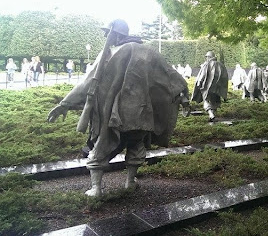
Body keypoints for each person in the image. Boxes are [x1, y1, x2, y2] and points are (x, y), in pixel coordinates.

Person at [47, 19, 189, 197]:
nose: (106, 36)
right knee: (136, 144)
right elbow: (170, 76)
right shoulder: (149, 52)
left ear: (116, 34)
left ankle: (96, 188)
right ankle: (130, 182)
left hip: (116, 113)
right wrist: (184, 98)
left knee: (102, 147)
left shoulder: (109, 53)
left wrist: (64, 104)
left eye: (108, 32)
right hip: (142, 112)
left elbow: (88, 82)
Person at [192, 51, 229, 121]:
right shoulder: (221, 65)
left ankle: (211, 114)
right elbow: (224, 77)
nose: (206, 58)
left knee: (205, 100)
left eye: (207, 57)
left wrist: (199, 82)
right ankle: (213, 115)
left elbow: (202, 74)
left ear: (209, 57)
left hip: (207, 87)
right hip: (217, 88)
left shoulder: (207, 64)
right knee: (214, 101)